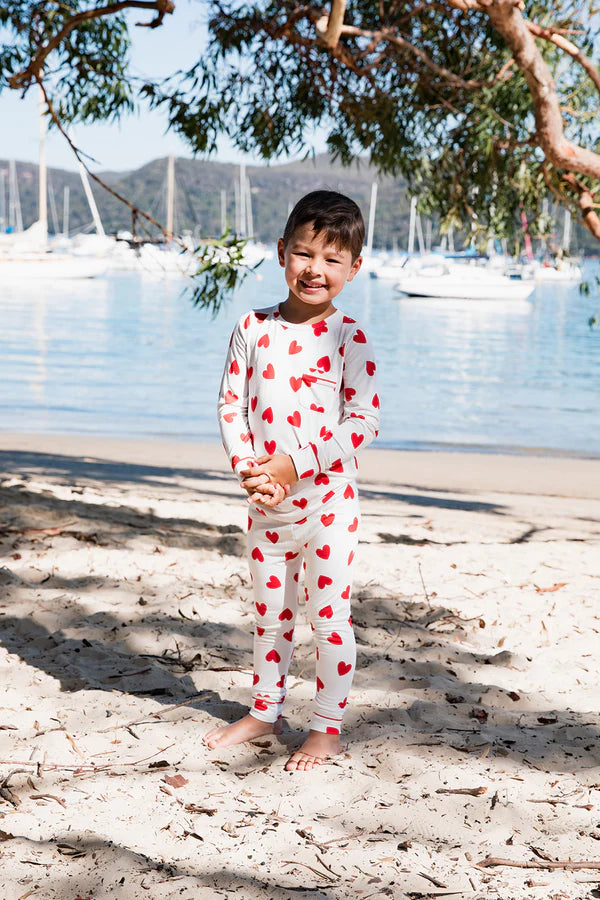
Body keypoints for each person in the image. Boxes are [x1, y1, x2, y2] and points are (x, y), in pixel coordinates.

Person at [204, 190, 380, 771]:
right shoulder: (252, 327)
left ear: (354, 268)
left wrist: (293, 467)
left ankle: (326, 726)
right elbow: (232, 407)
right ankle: (264, 709)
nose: (315, 269)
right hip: (267, 508)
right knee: (270, 615)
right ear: (282, 253)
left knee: (328, 618)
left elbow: (363, 422)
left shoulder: (349, 337)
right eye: (304, 253)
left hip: (328, 503)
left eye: (333, 259)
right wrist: (252, 474)